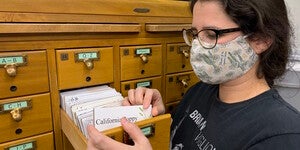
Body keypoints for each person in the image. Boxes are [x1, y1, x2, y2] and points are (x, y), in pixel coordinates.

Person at [87, 0, 300, 149]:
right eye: (195, 34)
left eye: (211, 34)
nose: (197, 46)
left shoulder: (282, 135)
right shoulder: (199, 91)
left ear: (261, 39)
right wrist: (157, 120)